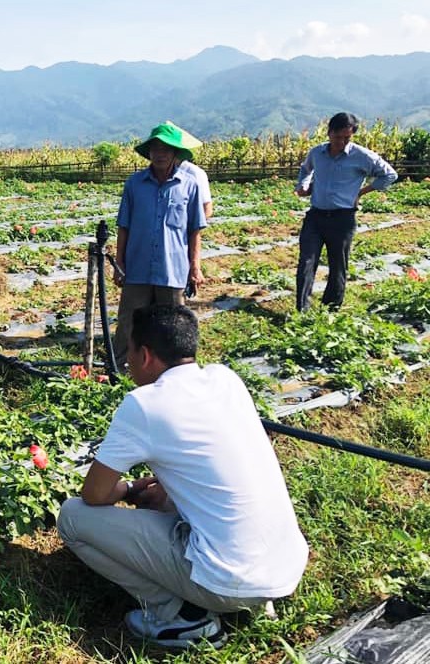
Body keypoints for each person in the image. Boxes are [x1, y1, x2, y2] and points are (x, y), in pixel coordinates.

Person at [58, 304, 308, 649]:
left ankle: (182, 616)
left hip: (228, 580)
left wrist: (129, 489)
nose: (126, 360)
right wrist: (168, 496)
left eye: (128, 350)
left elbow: (94, 494)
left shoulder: (145, 404)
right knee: (178, 503)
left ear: (145, 355)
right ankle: (252, 602)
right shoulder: (226, 379)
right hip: (284, 567)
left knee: (73, 517)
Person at [111, 122, 207, 371]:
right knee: (130, 319)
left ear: (175, 153)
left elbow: (194, 229)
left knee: (174, 321)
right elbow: (124, 226)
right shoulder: (134, 184)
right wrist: (119, 262)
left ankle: (175, 371)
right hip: (138, 264)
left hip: (172, 267)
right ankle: (120, 366)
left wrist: (195, 267)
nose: (160, 153)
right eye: (155, 148)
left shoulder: (190, 184)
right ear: (149, 152)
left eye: (166, 148)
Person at [294, 112, 398, 312]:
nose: (341, 141)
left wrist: (362, 192)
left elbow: (390, 175)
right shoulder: (317, 153)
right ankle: (302, 309)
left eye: (347, 138)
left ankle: (330, 309)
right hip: (315, 216)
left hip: (342, 219)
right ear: (329, 132)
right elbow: (306, 169)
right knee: (306, 260)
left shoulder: (361, 156)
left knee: (338, 265)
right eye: (338, 136)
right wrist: (303, 185)